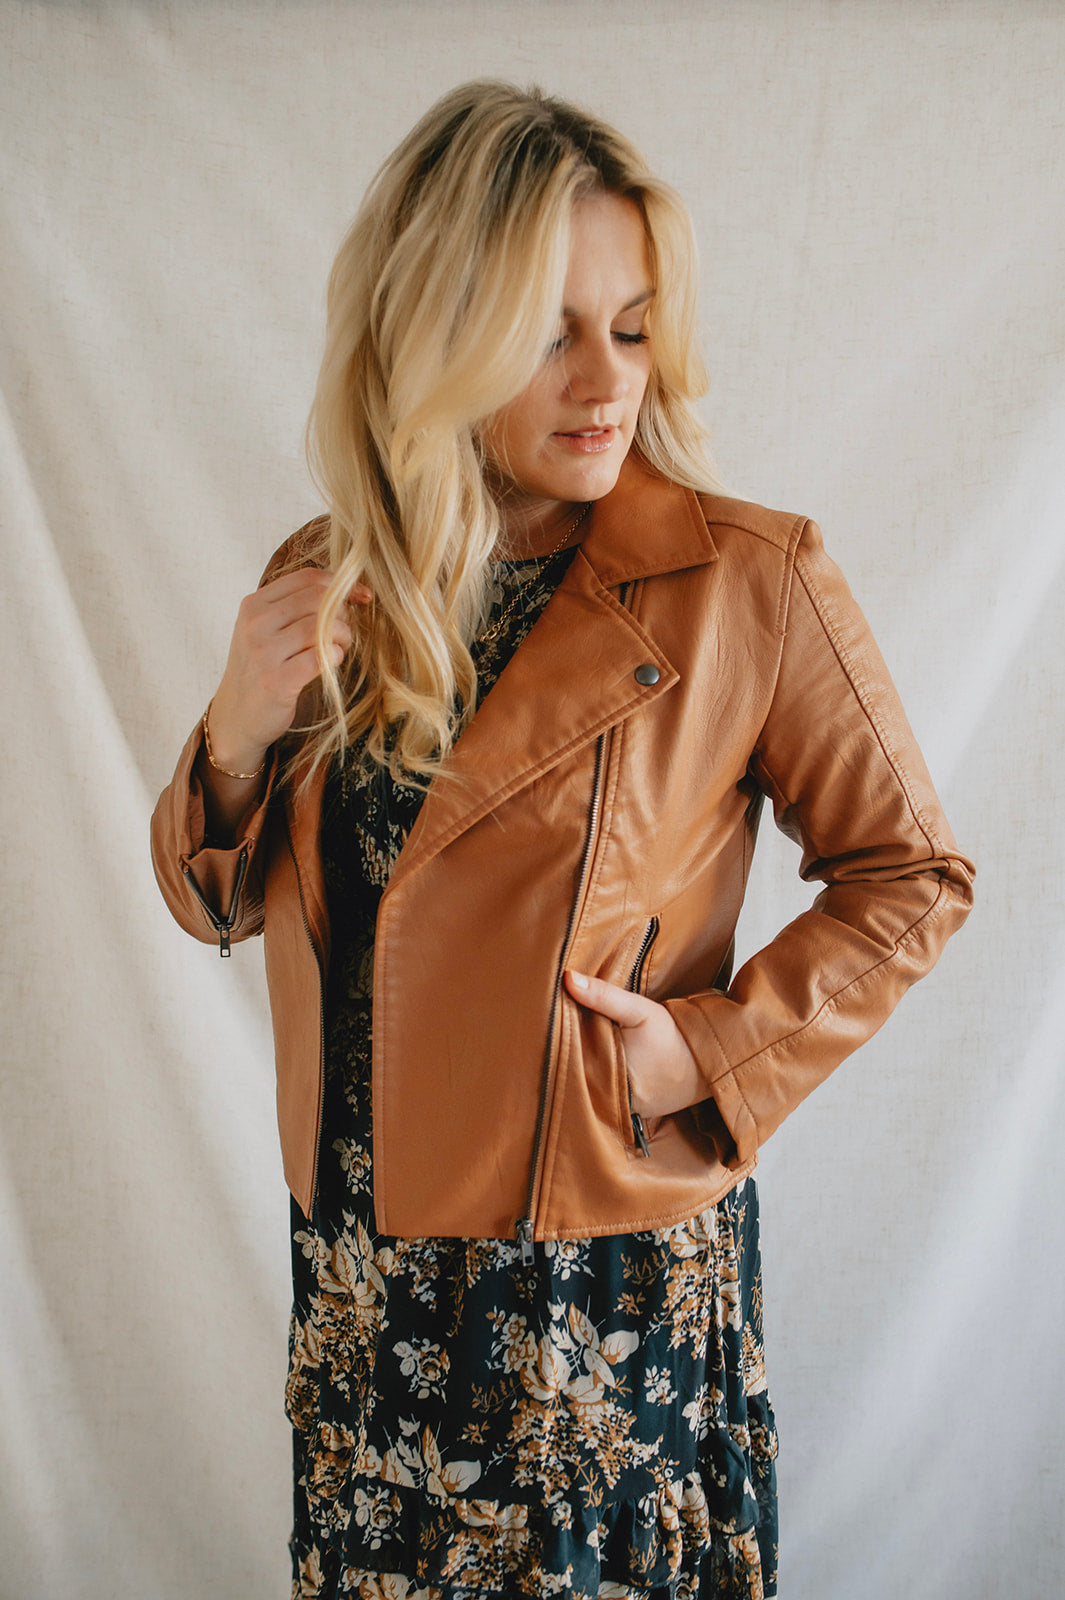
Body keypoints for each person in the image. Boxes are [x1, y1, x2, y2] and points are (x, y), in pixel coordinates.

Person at [151, 81, 974, 1600]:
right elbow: (216, 908)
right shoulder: (330, 577)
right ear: (431, 332)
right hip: (364, 1284)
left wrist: (708, 1052)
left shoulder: (746, 581)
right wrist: (238, 730)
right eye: (549, 331)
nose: (608, 381)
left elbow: (912, 878)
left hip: (592, 1296)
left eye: (634, 326)